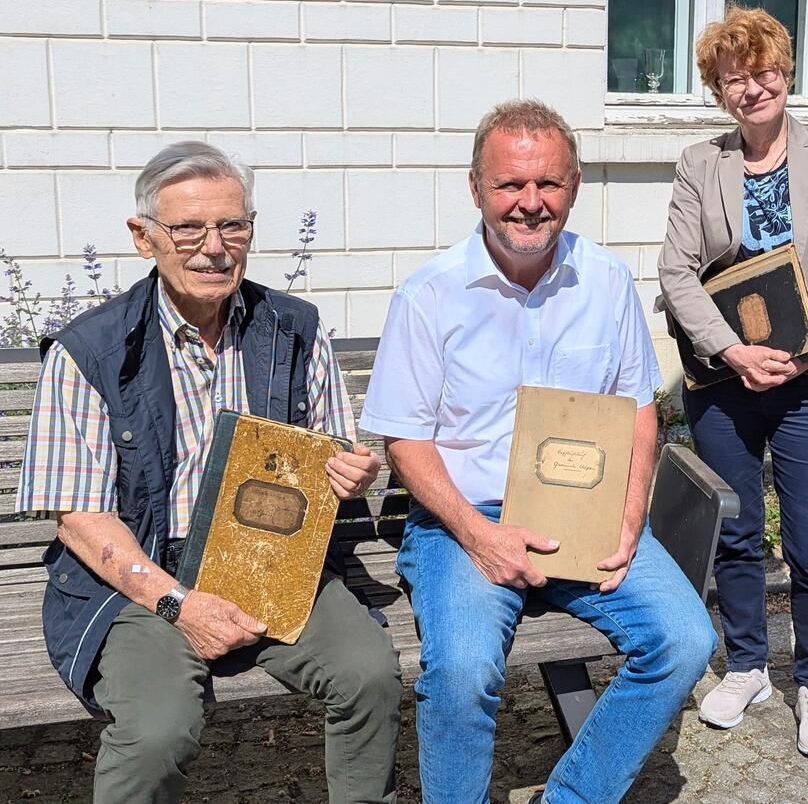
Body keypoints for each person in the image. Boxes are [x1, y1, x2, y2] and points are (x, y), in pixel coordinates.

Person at [17, 142, 402, 804]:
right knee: (159, 727)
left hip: (270, 557)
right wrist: (176, 600)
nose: (215, 246)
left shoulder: (293, 327)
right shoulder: (91, 350)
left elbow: (330, 450)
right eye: (188, 228)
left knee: (369, 675)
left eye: (233, 225)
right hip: (138, 573)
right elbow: (78, 514)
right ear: (145, 238)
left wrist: (351, 472)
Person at [360, 99, 716, 804]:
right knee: (460, 671)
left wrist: (628, 513)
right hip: (466, 519)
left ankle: (574, 796)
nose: (531, 202)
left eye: (548, 183)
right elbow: (404, 438)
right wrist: (478, 534)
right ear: (475, 188)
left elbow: (639, 411)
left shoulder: (606, 282)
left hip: (587, 515)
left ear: (575, 184)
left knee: (685, 641)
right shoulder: (429, 296)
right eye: (510, 184)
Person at [656, 7, 808, 758]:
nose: (752, 87)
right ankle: (747, 665)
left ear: (786, 69)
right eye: (734, 77)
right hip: (725, 380)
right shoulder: (700, 164)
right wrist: (730, 350)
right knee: (738, 534)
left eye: (763, 70)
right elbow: (675, 271)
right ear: (719, 90)